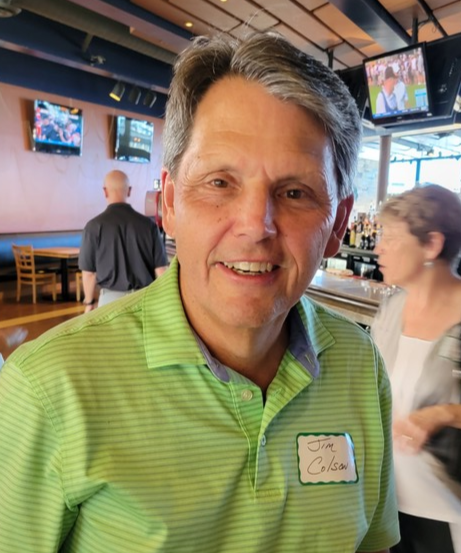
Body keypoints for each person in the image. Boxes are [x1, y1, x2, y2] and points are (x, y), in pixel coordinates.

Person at [0, 32, 399, 553]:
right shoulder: (48, 388)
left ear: (338, 224)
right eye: (219, 183)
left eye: (294, 192)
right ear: (169, 203)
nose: (256, 226)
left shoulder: (360, 366)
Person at [371, 184, 461, 553]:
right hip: (386, 504)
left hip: (446, 512)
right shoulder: (392, 310)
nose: (378, 248)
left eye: (391, 238)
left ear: (432, 244)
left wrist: (440, 414)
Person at [78, 169, 168, 311]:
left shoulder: (93, 227)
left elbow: (89, 273)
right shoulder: (149, 226)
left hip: (109, 302)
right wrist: (165, 300)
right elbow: (161, 269)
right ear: (129, 191)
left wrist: (89, 303)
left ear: (105, 191)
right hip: (144, 300)